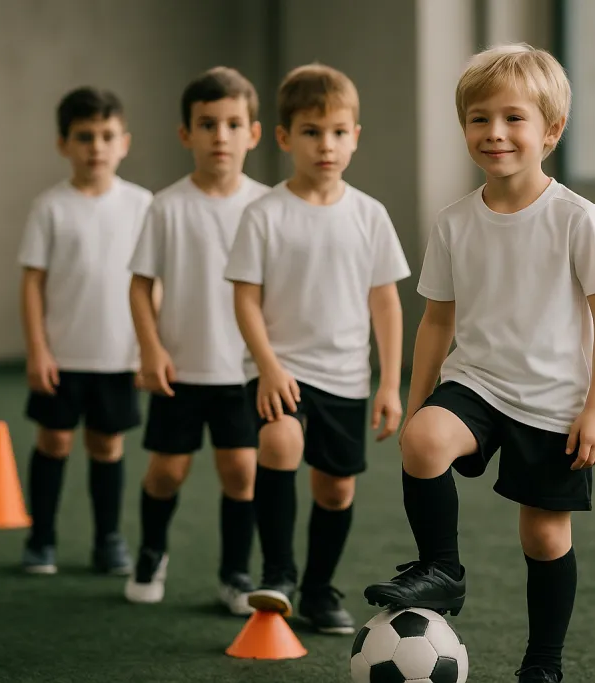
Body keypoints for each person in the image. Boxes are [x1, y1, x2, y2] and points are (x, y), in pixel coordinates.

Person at [363, 44, 595, 683]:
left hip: (554, 400)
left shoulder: (576, 217)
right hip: (476, 382)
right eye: (479, 118)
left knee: (544, 538)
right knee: (425, 441)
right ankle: (442, 569)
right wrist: (419, 401)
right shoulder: (454, 222)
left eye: (514, 118)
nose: (495, 132)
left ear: (551, 131)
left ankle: (542, 664)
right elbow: (437, 320)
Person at [224, 63, 412, 635]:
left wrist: (388, 383)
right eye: (311, 132)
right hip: (279, 371)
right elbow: (245, 300)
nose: (325, 145)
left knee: (336, 488)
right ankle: (278, 575)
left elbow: (386, 304)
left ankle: (317, 590)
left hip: (346, 378)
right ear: (284, 138)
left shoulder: (369, 215)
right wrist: (268, 367)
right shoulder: (263, 214)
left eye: (337, 132)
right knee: (279, 441)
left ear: (355, 136)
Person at [122, 67, 269, 616]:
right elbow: (140, 286)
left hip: (243, 373)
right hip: (180, 370)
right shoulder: (166, 206)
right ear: (186, 133)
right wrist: (150, 348)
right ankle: (151, 553)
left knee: (242, 473)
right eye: (208, 124)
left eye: (233, 124)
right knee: (166, 473)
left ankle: (235, 573)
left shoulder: (268, 206)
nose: (220, 136)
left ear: (254, 133)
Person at [16, 87, 153, 576]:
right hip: (63, 356)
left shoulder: (141, 205)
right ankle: (41, 539)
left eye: (107, 136)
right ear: (63, 144)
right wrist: (38, 350)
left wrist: (148, 348)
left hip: (118, 356)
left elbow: (151, 283)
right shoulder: (49, 207)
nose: (96, 146)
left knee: (107, 446)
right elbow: (32, 283)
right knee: (54, 441)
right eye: (84, 136)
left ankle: (108, 540)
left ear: (124, 143)